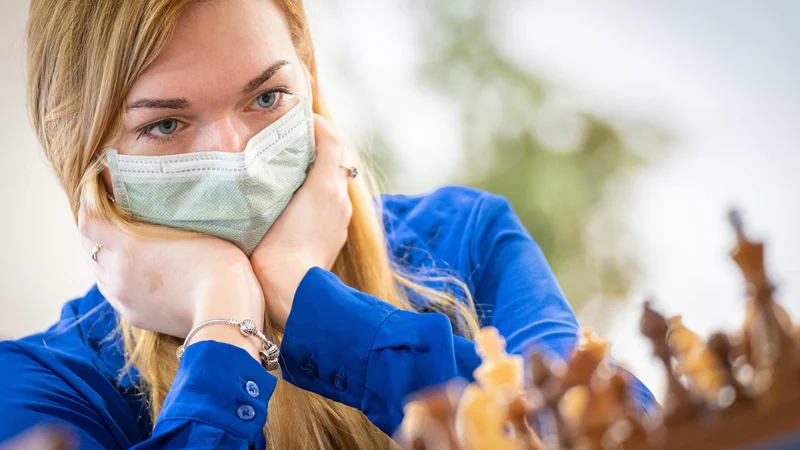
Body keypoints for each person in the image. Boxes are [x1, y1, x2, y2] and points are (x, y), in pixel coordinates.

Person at [0, 0, 656, 449]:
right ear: (87, 157)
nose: (237, 159)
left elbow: (618, 432)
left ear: (308, 82)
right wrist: (224, 320)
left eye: (267, 97)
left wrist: (306, 295)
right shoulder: (48, 389)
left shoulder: (465, 241)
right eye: (165, 124)